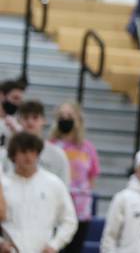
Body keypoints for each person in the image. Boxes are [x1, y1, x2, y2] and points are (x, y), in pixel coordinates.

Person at [0, 132, 77, 252]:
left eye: (33, 151)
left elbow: (69, 220)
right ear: (13, 155)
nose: (28, 156)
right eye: (23, 152)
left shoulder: (54, 184)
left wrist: (54, 245)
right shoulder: (3, 185)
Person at [50, 101, 100, 253]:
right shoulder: (50, 146)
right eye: (61, 116)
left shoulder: (87, 148)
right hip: (55, 206)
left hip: (80, 209)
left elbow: (92, 177)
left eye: (69, 115)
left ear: (78, 120)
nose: (65, 119)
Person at [0, 100, 70, 184]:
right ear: (19, 121)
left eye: (35, 117)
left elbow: (64, 187)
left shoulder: (57, 154)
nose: (30, 122)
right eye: (26, 118)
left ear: (44, 120)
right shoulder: (6, 154)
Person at [0, 80, 24, 148]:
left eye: (20, 100)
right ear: (1, 95)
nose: (17, 103)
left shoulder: (16, 125)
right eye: (15, 98)